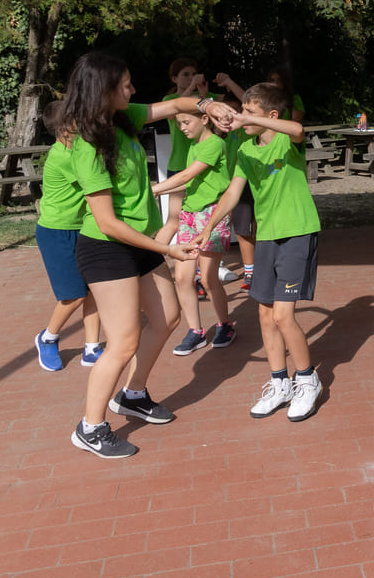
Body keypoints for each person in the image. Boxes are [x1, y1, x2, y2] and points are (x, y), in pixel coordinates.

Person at [64, 51, 211, 459]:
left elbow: (179, 103)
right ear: (103, 91)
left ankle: (132, 394)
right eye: (125, 84)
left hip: (138, 242)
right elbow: (108, 222)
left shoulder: (123, 119)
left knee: (166, 316)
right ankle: (90, 427)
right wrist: (167, 248)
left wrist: (207, 104)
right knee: (124, 340)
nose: (132, 89)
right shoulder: (88, 145)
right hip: (107, 248)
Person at [195, 82, 324, 421]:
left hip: (297, 233)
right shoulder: (245, 151)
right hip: (266, 237)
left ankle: (308, 380)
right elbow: (233, 194)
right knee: (265, 315)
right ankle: (280, 383)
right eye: (241, 111)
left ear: (270, 115)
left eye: (249, 113)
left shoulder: (286, 141)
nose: (240, 117)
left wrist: (260, 120)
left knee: (283, 315)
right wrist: (207, 228)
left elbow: (297, 128)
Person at [150, 109, 235, 354]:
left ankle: (225, 325)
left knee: (208, 278)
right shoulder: (193, 146)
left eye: (187, 122)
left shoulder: (214, 144)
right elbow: (188, 181)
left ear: (205, 119)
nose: (182, 127)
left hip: (213, 214)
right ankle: (196, 332)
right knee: (182, 277)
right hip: (189, 214)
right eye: (179, 123)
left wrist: (154, 190)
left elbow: (187, 174)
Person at [33, 101, 102, 371]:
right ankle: (48, 338)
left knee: (93, 288)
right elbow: (95, 179)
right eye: (77, 120)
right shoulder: (63, 155)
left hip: (81, 227)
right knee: (73, 296)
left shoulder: (77, 148)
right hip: (56, 232)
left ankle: (92, 348)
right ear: (64, 129)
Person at [154, 59, 208, 272]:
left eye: (193, 73)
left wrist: (203, 94)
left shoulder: (196, 99)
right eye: (186, 74)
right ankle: (155, 262)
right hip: (180, 165)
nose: (191, 77)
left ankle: (202, 269)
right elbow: (176, 106)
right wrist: (191, 87)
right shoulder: (171, 99)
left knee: (202, 218)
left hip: (201, 164)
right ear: (174, 78)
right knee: (174, 221)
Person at [214, 89, 257, 290]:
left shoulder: (245, 129)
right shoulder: (220, 134)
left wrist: (230, 83)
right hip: (226, 185)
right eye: (227, 111)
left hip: (245, 184)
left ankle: (251, 272)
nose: (231, 115)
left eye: (236, 110)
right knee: (226, 230)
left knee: (243, 231)